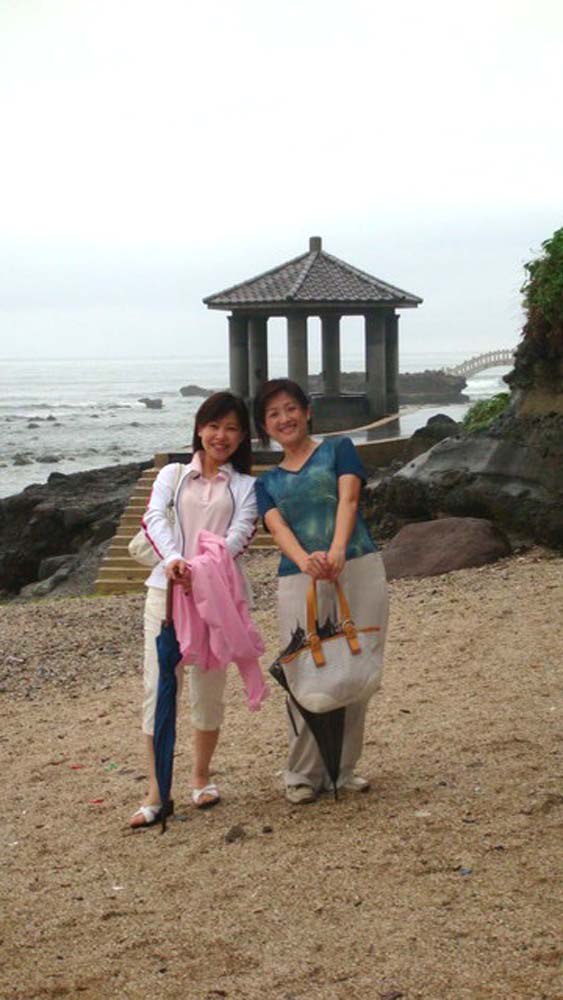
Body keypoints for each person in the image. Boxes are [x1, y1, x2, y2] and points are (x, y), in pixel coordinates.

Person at [254, 378, 389, 805]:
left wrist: (336, 551)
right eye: (273, 414)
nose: (284, 418)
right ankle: (301, 773)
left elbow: (348, 500)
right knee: (303, 670)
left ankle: (342, 770)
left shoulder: (338, 450)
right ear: (265, 427)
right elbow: (278, 529)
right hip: (299, 578)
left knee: (355, 663)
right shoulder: (267, 482)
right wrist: (307, 561)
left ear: (307, 411)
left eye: (291, 408)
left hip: (357, 565)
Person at [129, 391, 259, 827]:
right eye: (214, 426)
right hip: (165, 595)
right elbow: (153, 518)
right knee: (159, 687)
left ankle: (201, 776)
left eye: (232, 428)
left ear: (242, 437)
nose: (221, 435)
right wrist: (173, 561)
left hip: (216, 597)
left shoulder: (245, 486)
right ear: (199, 429)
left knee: (209, 687)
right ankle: (156, 790)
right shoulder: (173, 474)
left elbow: (240, 535)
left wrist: (199, 570)